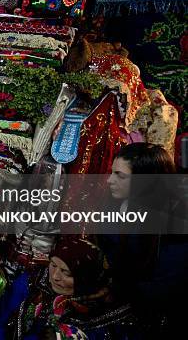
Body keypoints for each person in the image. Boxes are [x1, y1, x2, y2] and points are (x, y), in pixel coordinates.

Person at [100, 142, 188, 337]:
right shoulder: (115, 206)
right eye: (112, 172)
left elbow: (163, 289)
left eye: (120, 176)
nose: (109, 180)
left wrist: (112, 290)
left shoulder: (175, 227)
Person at [0, 236, 137, 340]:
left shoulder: (108, 315)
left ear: (85, 278)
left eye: (66, 272)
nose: (55, 276)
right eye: (53, 265)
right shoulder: (31, 282)